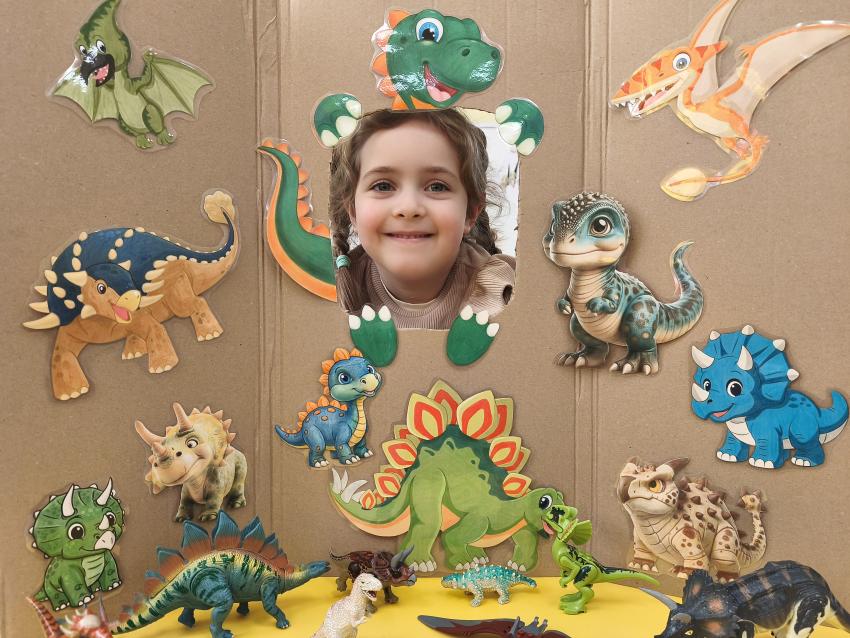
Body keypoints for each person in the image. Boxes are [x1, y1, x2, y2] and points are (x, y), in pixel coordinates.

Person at [329, 108, 515, 330]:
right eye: (383, 186)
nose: (409, 208)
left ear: (471, 212)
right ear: (353, 210)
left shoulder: (500, 290)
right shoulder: (330, 290)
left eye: (437, 187)